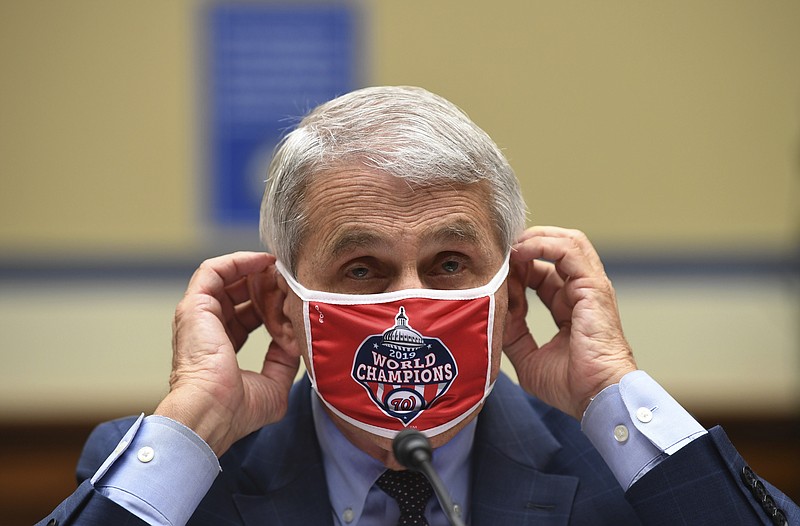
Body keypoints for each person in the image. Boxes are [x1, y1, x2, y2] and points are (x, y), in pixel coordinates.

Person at [39, 86, 797, 526]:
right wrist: (196, 421)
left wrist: (614, 393)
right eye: (364, 268)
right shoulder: (176, 484)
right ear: (282, 307)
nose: (409, 305)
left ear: (509, 297)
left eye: (448, 264)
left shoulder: (625, 477)